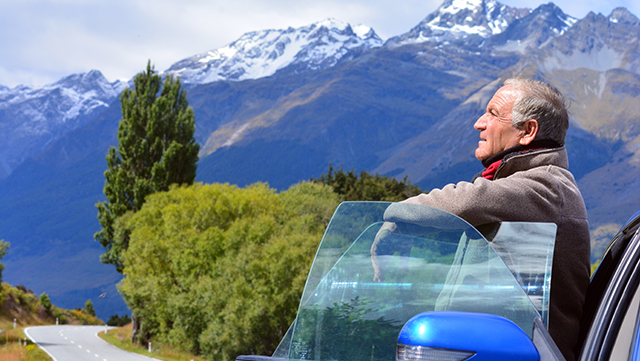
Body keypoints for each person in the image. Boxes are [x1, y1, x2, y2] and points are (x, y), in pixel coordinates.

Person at [372, 78, 590, 361]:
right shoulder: (522, 188)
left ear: (527, 131)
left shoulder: (546, 187)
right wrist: (403, 228)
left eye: (493, 113)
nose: (479, 123)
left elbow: (466, 201)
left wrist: (391, 215)